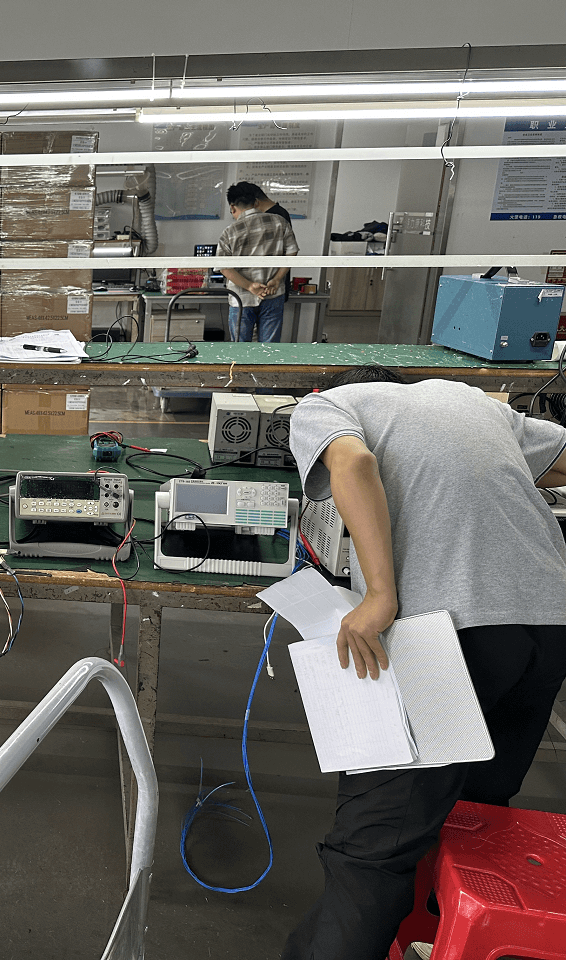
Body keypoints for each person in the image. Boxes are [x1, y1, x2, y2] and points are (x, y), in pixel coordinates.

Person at [282, 364, 566, 960]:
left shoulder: (326, 406)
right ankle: (444, 936)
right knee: (473, 813)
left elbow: (353, 464)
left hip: (450, 637)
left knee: (374, 847)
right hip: (548, 623)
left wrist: (380, 595)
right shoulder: (468, 401)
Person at [217, 182, 298, 343]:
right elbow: (292, 252)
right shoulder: (280, 222)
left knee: (240, 348)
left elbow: (224, 268)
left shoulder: (230, 232)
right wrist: (276, 279)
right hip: (273, 293)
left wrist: (249, 286)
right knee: (269, 348)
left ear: (232, 207)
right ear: (255, 202)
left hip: (241, 298)